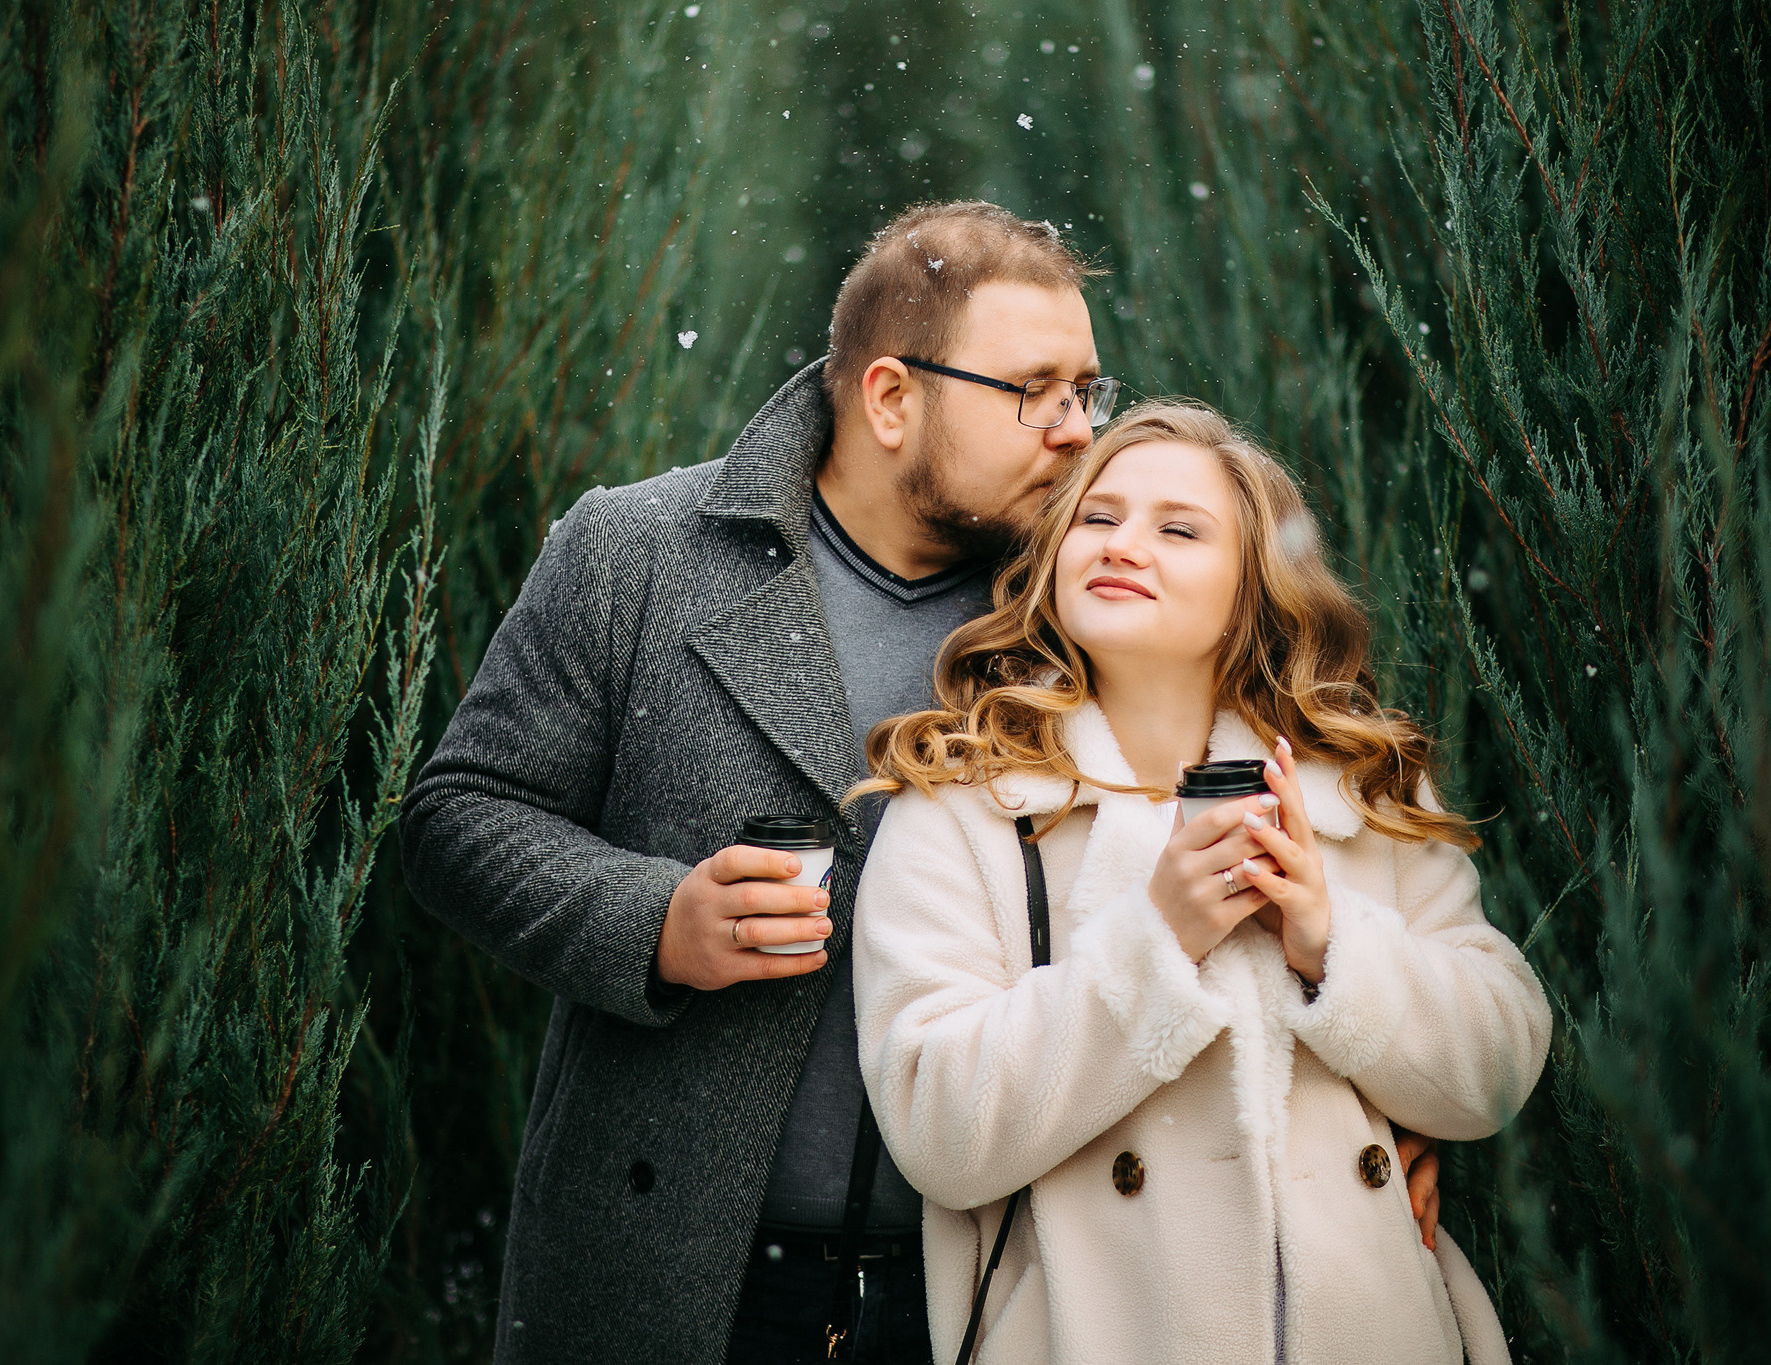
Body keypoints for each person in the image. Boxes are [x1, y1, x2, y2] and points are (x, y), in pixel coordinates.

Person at [401, 201, 1444, 1365]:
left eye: (1086, 392)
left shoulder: (1074, 600)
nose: (1072, 431)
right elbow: (458, 817)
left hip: (996, 1280)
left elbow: (1216, 863)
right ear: (892, 398)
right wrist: (653, 923)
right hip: (678, 1255)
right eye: (1034, 391)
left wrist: (1344, 1125)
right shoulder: (635, 555)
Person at [850, 400, 1550, 1364]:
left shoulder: (1356, 789)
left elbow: (1501, 1066)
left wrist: (1326, 939)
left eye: (1179, 528)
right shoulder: (967, 805)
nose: (1123, 543)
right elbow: (935, 1125)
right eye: (1096, 518)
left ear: (1254, 585)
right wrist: (1154, 943)